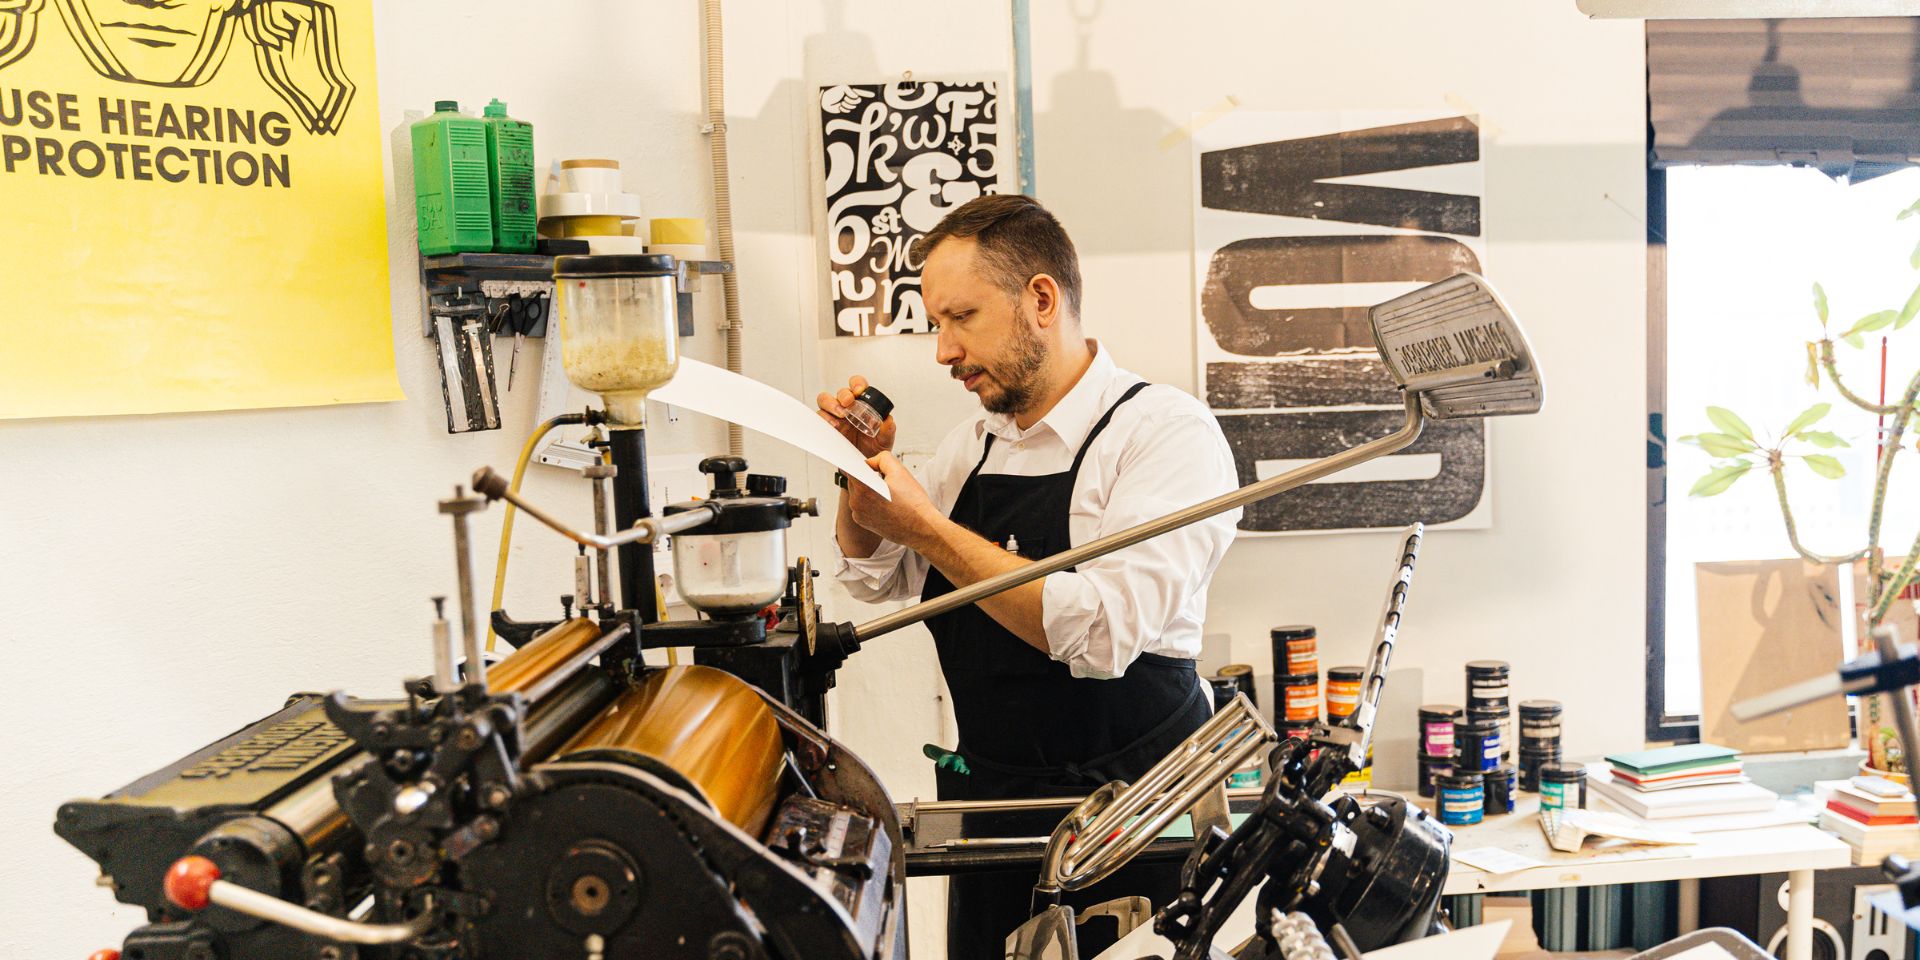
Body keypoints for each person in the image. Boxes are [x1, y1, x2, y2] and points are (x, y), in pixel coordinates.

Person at [818, 193, 1241, 959]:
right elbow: (874, 576)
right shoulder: (970, 446)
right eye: (936, 325)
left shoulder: (1164, 435)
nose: (943, 351)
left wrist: (929, 528)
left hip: (1135, 814)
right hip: (998, 808)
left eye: (962, 318)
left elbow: (1103, 631)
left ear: (1040, 299)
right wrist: (860, 473)